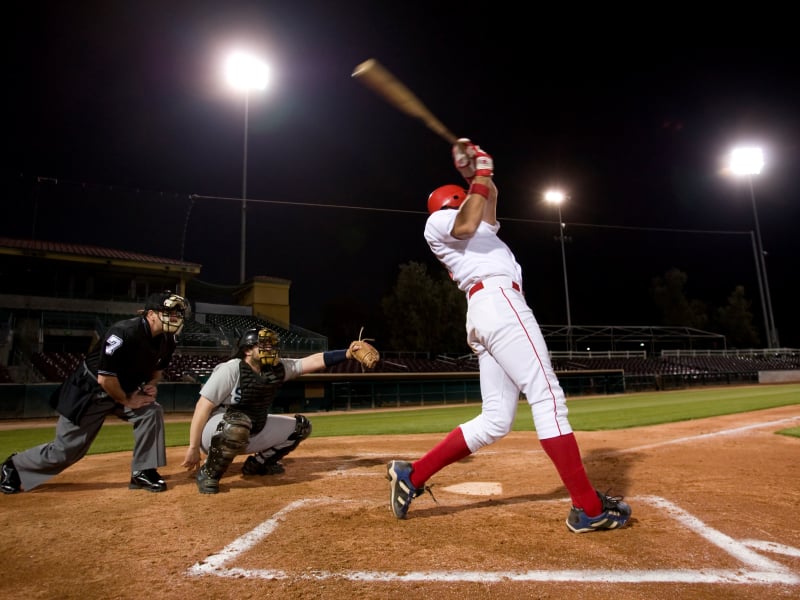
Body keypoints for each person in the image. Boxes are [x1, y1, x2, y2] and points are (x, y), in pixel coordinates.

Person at [386, 139, 632, 533]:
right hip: (499, 303)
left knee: (496, 420)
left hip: (489, 311)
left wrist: (479, 173)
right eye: (466, 196)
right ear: (455, 202)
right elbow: (467, 220)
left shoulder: (481, 230)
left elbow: (487, 205)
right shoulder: (441, 223)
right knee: (548, 396)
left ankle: (413, 475)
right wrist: (479, 176)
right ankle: (588, 508)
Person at [0, 291, 188, 494]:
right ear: (151, 314)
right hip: (89, 392)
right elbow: (105, 379)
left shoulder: (168, 340)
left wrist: (152, 384)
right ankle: (13, 467)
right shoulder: (123, 332)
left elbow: (157, 369)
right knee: (66, 451)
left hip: (124, 390)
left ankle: (143, 471)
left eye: (178, 312)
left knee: (151, 411)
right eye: (170, 311)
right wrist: (127, 400)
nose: (176, 317)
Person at [181, 327, 368, 494]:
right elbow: (202, 407)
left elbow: (310, 361)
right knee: (237, 424)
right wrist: (193, 447)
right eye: (263, 345)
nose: (269, 349)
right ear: (247, 350)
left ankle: (257, 465)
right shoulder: (231, 369)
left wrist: (347, 354)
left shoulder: (277, 368)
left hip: (253, 426)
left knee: (300, 427)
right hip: (216, 429)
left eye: (271, 345)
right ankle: (208, 473)